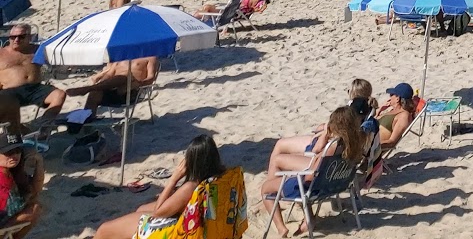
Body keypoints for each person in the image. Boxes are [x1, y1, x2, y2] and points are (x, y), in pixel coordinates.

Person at [93, 134, 228, 239]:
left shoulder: (192, 186)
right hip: (199, 223)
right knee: (141, 209)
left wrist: (173, 179)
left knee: (104, 230)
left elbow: (158, 213)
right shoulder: (219, 177)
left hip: (176, 232)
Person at [260, 104, 366, 230]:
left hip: (312, 189)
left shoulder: (331, 148)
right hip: (337, 184)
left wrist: (292, 175)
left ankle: (281, 227)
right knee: (286, 162)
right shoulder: (356, 143)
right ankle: (308, 217)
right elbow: (317, 157)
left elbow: (310, 177)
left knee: (266, 189)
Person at [0, 27, 67, 133]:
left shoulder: (38, 50)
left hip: (35, 88)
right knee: (8, 105)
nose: (16, 40)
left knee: (59, 95)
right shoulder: (1, 54)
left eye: (21, 37)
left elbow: (60, 60)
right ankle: (23, 131)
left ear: (29, 37)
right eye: (13, 37)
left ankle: (44, 127)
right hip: (10, 91)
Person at [66, 55, 159, 113]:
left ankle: (87, 89)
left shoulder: (150, 57)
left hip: (131, 91)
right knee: (95, 93)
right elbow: (109, 74)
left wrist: (139, 83)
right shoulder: (121, 56)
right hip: (113, 88)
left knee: (124, 76)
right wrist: (101, 81)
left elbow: (151, 78)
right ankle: (87, 127)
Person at [0, 127, 42, 239]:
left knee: (34, 207)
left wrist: (38, 161)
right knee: (34, 207)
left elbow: (35, 190)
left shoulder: (12, 172)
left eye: (17, 151)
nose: (14, 156)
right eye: (8, 152)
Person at [373, 84, 420, 152]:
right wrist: (380, 110)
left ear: (398, 98)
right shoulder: (393, 111)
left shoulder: (404, 116)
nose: (389, 97)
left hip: (369, 148)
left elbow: (392, 142)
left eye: (391, 95)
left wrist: (371, 148)